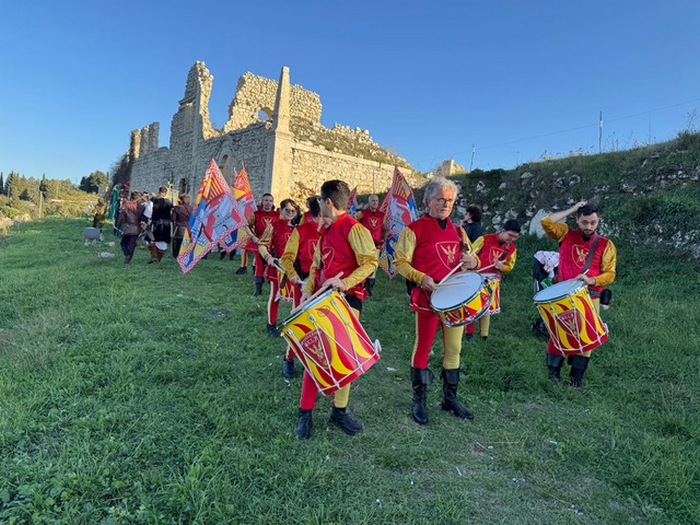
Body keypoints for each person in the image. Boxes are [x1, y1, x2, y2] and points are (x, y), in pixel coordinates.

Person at [295, 180, 378, 440]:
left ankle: (339, 411)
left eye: (320, 200)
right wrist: (308, 289)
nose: (318, 204)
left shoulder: (355, 229)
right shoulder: (326, 230)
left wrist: (344, 283)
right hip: (320, 301)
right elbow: (317, 267)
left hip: (347, 301)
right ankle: (304, 414)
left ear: (328, 203)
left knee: (345, 357)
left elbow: (370, 263)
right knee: (314, 356)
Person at [395, 177, 480, 425]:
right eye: (441, 199)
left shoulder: (459, 230)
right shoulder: (414, 229)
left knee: (454, 349)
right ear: (429, 200)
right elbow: (400, 263)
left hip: (455, 301)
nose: (445, 204)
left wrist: (472, 262)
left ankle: (449, 398)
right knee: (423, 347)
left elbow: (473, 259)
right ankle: (419, 400)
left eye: (450, 200)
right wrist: (420, 278)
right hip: (427, 299)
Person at [540, 201, 617, 386]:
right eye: (584, 222)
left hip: (590, 295)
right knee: (557, 333)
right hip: (561, 294)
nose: (589, 227)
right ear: (577, 220)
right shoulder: (565, 233)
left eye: (593, 222)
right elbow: (546, 222)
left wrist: (593, 280)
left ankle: (576, 379)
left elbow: (610, 273)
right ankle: (553, 376)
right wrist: (572, 209)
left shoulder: (606, 245)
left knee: (587, 336)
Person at [279, 196, 322, 380]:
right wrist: (293, 274)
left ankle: (313, 360)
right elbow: (287, 257)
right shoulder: (301, 230)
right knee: (299, 322)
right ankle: (289, 358)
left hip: (323, 285)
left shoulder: (331, 231)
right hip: (303, 282)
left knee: (319, 325)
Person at [466, 219, 521, 341]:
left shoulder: (512, 249)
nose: (511, 239)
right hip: (476, 277)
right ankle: (468, 333)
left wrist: (502, 267)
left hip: (492, 280)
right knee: (472, 306)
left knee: (487, 307)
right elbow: (471, 254)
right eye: (510, 235)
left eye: (515, 237)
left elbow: (509, 266)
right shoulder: (485, 239)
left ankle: (484, 334)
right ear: (503, 230)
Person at [258, 198, 300, 338]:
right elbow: (262, 244)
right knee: (275, 295)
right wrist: (269, 258)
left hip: (293, 268)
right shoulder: (273, 226)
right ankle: (271, 324)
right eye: (287, 210)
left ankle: (295, 326)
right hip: (278, 268)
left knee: (297, 297)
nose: (290, 212)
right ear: (281, 210)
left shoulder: (297, 228)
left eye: (293, 210)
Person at [244, 193, 277, 297]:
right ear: (262, 202)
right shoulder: (256, 214)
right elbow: (247, 226)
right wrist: (252, 236)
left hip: (273, 243)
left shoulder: (277, 215)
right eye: (266, 201)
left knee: (274, 265)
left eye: (270, 201)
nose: (268, 203)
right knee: (259, 265)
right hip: (259, 242)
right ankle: (258, 289)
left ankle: (274, 287)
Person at [354, 194, 385, 296]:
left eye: (376, 200)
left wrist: (384, 240)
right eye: (372, 201)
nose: (375, 202)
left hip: (377, 244)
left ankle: (370, 286)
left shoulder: (381, 215)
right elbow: (353, 221)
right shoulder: (362, 213)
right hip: (365, 243)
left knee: (373, 266)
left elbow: (384, 228)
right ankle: (363, 284)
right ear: (369, 202)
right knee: (364, 263)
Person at [116, 191, 145, 263]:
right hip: (137, 227)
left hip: (127, 227)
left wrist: (118, 226)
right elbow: (143, 218)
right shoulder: (141, 207)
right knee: (132, 243)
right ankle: (129, 256)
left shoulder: (126, 205)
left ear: (131, 197)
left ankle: (127, 255)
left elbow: (121, 217)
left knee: (123, 243)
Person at [147, 186, 173, 263]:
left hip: (156, 223)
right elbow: (172, 214)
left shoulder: (153, 200)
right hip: (166, 224)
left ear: (159, 191)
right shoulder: (169, 202)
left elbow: (148, 211)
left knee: (152, 239)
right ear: (166, 193)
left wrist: (147, 220)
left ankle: (154, 257)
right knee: (163, 241)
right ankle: (158, 258)